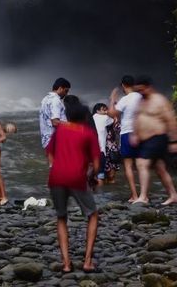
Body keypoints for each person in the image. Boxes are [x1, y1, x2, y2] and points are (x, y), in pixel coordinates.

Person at [46, 96, 101, 274]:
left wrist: (56, 167)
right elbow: (96, 163)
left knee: (61, 217)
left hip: (56, 178)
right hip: (77, 178)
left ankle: (67, 264)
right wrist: (91, 177)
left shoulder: (60, 130)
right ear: (85, 117)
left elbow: (50, 153)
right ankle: (87, 261)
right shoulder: (88, 133)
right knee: (92, 215)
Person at [130, 75, 177, 206]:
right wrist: (135, 134)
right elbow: (137, 118)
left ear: (149, 87)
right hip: (144, 140)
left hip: (157, 137)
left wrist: (175, 141)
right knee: (160, 168)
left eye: (142, 90)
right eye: (138, 91)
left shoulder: (160, 100)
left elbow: (171, 121)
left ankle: (143, 197)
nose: (140, 93)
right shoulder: (140, 101)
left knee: (141, 163)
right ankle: (173, 195)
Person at [108, 75, 141, 202]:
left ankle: (134, 195)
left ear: (123, 85)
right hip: (141, 132)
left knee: (128, 165)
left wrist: (112, 99)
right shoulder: (141, 97)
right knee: (142, 165)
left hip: (127, 132)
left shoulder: (125, 99)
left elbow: (112, 113)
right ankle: (144, 195)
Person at [39, 78, 71, 150]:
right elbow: (55, 122)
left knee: (52, 161)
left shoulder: (45, 99)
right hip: (55, 140)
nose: (66, 94)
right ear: (60, 88)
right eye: (66, 91)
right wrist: (72, 125)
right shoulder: (55, 100)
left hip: (46, 139)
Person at [91, 103, 113, 185]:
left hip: (90, 149)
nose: (106, 111)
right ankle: (101, 195)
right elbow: (113, 121)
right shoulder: (105, 117)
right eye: (104, 109)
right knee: (100, 174)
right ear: (97, 111)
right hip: (100, 149)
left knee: (90, 173)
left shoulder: (91, 118)